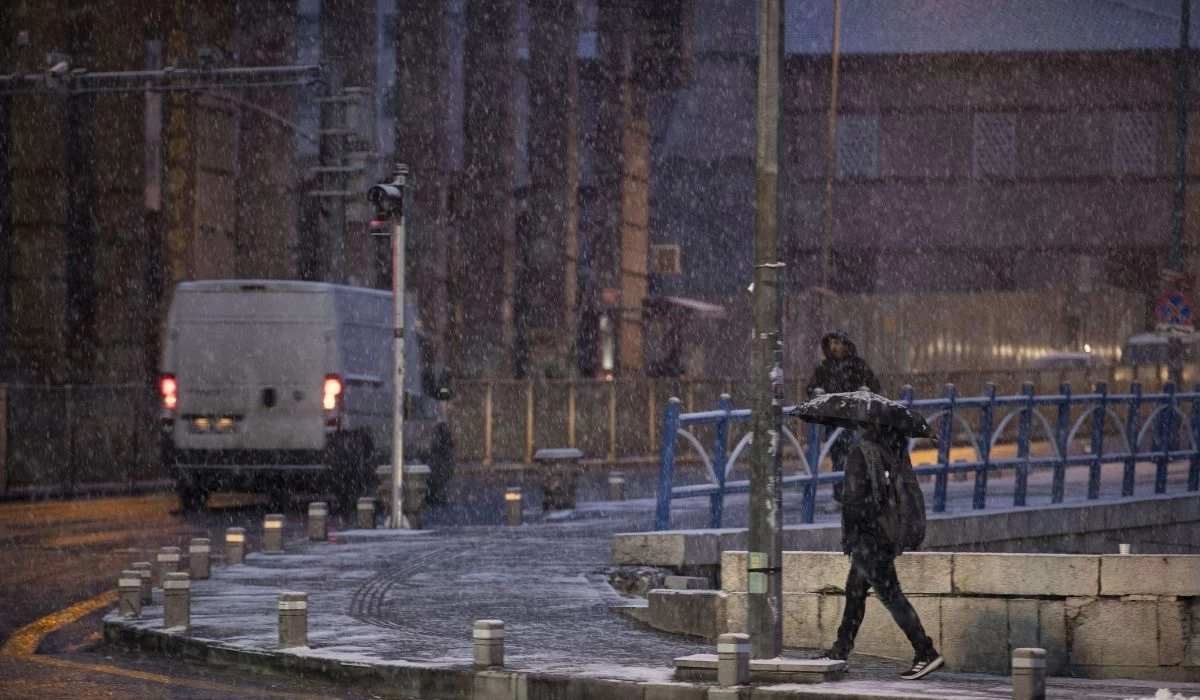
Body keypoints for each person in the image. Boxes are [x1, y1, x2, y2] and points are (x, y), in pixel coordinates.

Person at [817, 422, 943, 681]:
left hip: (868, 541)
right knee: (854, 592)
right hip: (885, 537)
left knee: (891, 596)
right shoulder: (892, 452)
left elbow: (853, 502)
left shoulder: (861, 453)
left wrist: (852, 535)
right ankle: (840, 651)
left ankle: (926, 650)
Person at [804, 331, 881, 509]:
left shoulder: (857, 365)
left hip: (853, 421)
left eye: (838, 343)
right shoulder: (825, 367)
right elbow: (811, 388)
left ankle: (858, 495)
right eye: (832, 343)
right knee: (838, 459)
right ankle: (840, 496)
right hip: (834, 421)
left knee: (856, 457)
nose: (834, 347)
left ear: (846, 345)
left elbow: (874, 385)